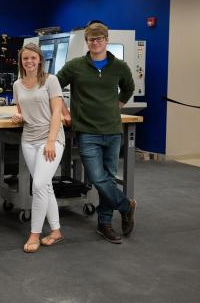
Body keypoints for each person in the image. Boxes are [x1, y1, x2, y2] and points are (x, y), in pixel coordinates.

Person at [56, 22, 137, 244]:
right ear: (87, 42)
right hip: (86, 131)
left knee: (108, 178)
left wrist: (116, 106)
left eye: (100, 38)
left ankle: (105, 223)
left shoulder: (119, 67)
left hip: (112, 130)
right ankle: (125, 204)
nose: (96, 42)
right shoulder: (75, 66)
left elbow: (129, 88)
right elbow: (54, 86)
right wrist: (64, 111)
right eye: (92, 39)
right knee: (97, 177)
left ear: (106, 40)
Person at [12, 43, 66, 253]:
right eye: (25, 58)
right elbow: (22, 108)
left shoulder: (51, 80)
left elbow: (56, 113)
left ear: (40, 60)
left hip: (50, 138)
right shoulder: (17, 84)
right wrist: (19, 115)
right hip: (29, 140)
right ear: (21, 62)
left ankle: (34, 234)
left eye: (33, 58)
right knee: (45, 186)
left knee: (39, 184)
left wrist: (51, 141)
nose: (29, 62)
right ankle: (56, 231)